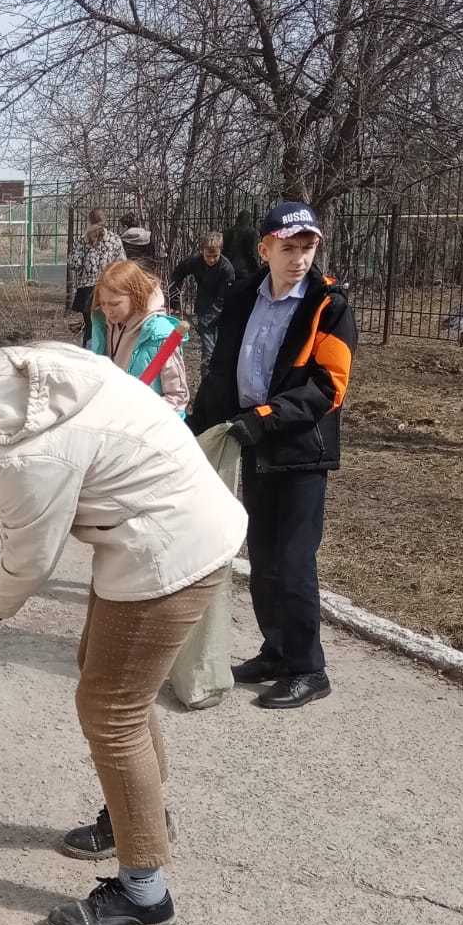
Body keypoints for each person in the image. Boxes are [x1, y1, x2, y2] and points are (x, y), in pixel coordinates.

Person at [0, 321, 246, 925]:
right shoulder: (24, 369)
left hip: (169, 545)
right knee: (104, 676)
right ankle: (136, 815)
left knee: (110, 711)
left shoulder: (23, 449)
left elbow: (31, 558)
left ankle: (144, 894)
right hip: (155, 529)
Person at [188, 201, 356, 710]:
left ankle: (309, 668)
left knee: (293, 559)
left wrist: (263, 418)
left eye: (308, 248)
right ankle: (275, 651)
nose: (300, 258)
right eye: (289, 248)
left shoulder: (329, 305)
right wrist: (195, 429)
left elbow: (330, 386)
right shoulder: (244, 295)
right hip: (253, 445)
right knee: (261, 555)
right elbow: (222, 371)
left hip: (300, 450)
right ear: (265, 249)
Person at [87, 260, 190, 416]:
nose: (107, 311)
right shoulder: (104, 325)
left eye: (114, 304)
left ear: (135, 296)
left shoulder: (160, 336)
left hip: (148, 430)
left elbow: (178, 397)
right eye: (103, 303)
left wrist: (140, 413)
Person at [168, 233, 236, 377]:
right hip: (203, 307)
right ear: (202, 251)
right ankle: (207, 382)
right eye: (207, 256)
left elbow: (225, 297)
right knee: (209, 351)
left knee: (223, 350)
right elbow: (178, 273)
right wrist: (174, 294)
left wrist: (211, 317)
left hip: (224, 312)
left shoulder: (226, 268)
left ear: (220, 251)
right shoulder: (195, 261)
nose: (211, 260)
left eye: (215, 256)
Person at [67, 208, 125, 343]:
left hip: (87, 290)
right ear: (105, 221)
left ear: (89, 221)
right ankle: (111, 355)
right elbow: (123, 264)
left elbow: (74, 263)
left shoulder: (83, 240)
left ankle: (91, 353)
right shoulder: (114, 239)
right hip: (109, 287)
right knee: (110, 326)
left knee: (91, 327)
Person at [222, 210, 261, 281]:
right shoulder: (252, 233)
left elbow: (223, 252)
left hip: (228, 268)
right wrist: (256, 269)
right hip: (246, 270)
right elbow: (253, 253)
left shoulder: (226, 232)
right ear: (249, 220)